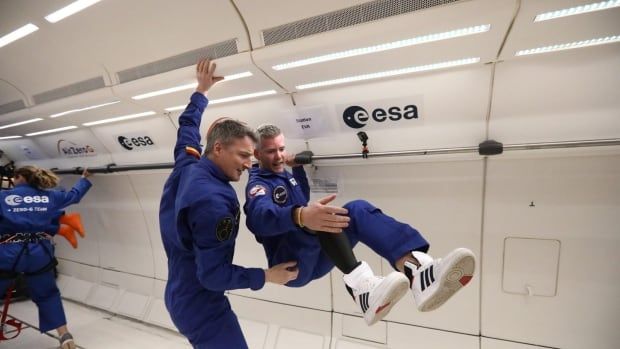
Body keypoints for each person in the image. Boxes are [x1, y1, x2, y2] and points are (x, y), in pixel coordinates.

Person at [244, 124, 476, 325]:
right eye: (271, 151)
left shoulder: (284, 173)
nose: (278, 156)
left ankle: (417, 272)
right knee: (323, 219)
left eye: (281, 149)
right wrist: (301, 216)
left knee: (356, 210)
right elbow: (259, 218)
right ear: (256, 153)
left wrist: (296, 168)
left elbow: (300, 195)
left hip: (319, 254)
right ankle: (364, 287)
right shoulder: (258, 185)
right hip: (291, 266)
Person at [158, 59, 298, 349]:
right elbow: (213, 275)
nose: (250, 165)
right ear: (218, 148)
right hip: (202, 305)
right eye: (244, 156)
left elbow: (187, 125)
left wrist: (202, 91)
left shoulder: (188, 161)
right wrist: (267, 276)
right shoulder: (213, 202)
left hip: (179, 292)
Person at [0, 166, 91, 349]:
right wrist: (84, 178)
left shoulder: (3, 196)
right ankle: (65, 337)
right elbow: (74, 195)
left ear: (20, 177)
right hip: (39, 252)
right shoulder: (50, 196)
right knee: (48, 295)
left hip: (8, 253)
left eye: (14, 177)